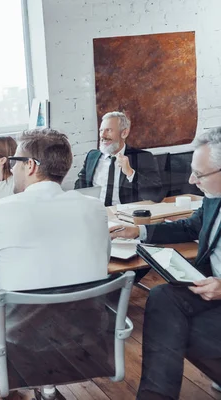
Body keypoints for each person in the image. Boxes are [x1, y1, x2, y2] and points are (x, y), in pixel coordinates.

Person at [110, 129, 221, 400]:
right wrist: (139, 232)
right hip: (211, 288)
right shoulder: (214, 198)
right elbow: (190, 226)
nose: (192, 180)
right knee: (162, 296)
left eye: (200, 173)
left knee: (176, 330)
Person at [0, 128, 110, 296]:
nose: (12, 169)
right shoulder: (96, 208)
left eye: (15, 163)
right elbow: (102, 261)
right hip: (90, 320)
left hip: (21, 320)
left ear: (30, 165)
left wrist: (11, 279)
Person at [75, 111, 163, 206]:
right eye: (101, 130)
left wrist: (130, 173)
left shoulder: (142, 157)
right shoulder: (92, 156)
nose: (102, 136)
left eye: (108, 130)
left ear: (124, 133)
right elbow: (80, 187)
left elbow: (156, 195)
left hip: (125, 215)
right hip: (96, 212)